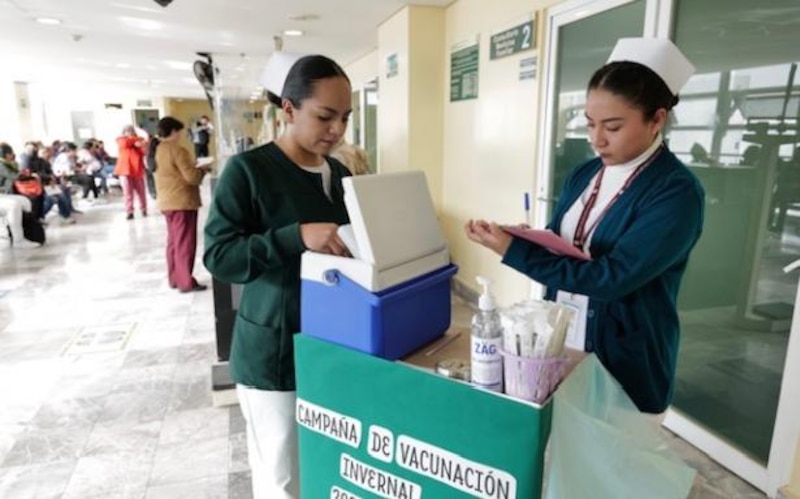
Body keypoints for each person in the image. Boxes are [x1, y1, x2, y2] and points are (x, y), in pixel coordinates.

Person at [465, 38, 705, 417]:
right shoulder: (585, 173)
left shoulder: (676, 193)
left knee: (617, 470)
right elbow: (564, 242)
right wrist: (523, 237)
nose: (596, 139)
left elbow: (612, 279)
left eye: (612, 126)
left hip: (626, 362)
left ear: (656, 119)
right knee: (567, 461)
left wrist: (514, 252)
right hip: (563, 346)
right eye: (591, 124)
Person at [203, 53, 353, 498]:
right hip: (274, 352)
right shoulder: (249, 172)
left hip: (330, 345)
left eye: (345, 118)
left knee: (322, 465)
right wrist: (294, 237)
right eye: (325, 116)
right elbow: (219, 255)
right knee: (281, 477)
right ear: (288, 109)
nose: (337, 130)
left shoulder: (340, 173)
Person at [154, 117, 210, 293]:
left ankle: (175, 278)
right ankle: (185, 281)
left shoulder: (158, 149)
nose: (180, 135)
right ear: (173, 132)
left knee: (173, 242)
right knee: (185, 243)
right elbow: (191, 177)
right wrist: (202, 169)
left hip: (166, 201)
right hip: (182, 202)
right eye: (178, 131)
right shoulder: (177, 150)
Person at [115, 125, 148, 219]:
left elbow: (143, 150)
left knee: (141, 191)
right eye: (127, 131)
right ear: (124, 132)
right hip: (124, 170)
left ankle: (144, 209)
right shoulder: (121, 140)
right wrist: (135, 140)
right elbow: (124, 144)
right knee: (127, 192)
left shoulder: (139, 140)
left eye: (131, 131)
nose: (129, 133)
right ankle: (129, 211)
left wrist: (141, 143)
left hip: (137, 170)